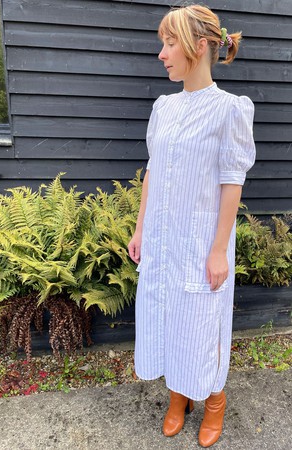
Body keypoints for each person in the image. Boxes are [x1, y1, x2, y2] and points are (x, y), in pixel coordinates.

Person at [128, 4, 256, 448]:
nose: (161, 53)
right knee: (168, 316)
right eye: (162, 42)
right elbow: (153, 171)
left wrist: (219, 249)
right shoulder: (163, 107)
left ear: (198, 47)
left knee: (203, 322)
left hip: (202, 241)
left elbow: (231, 182)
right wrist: (141, 229)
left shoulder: (229, 111)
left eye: (168, 43)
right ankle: (178, 395)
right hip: (163, 238)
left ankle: (214, 400)